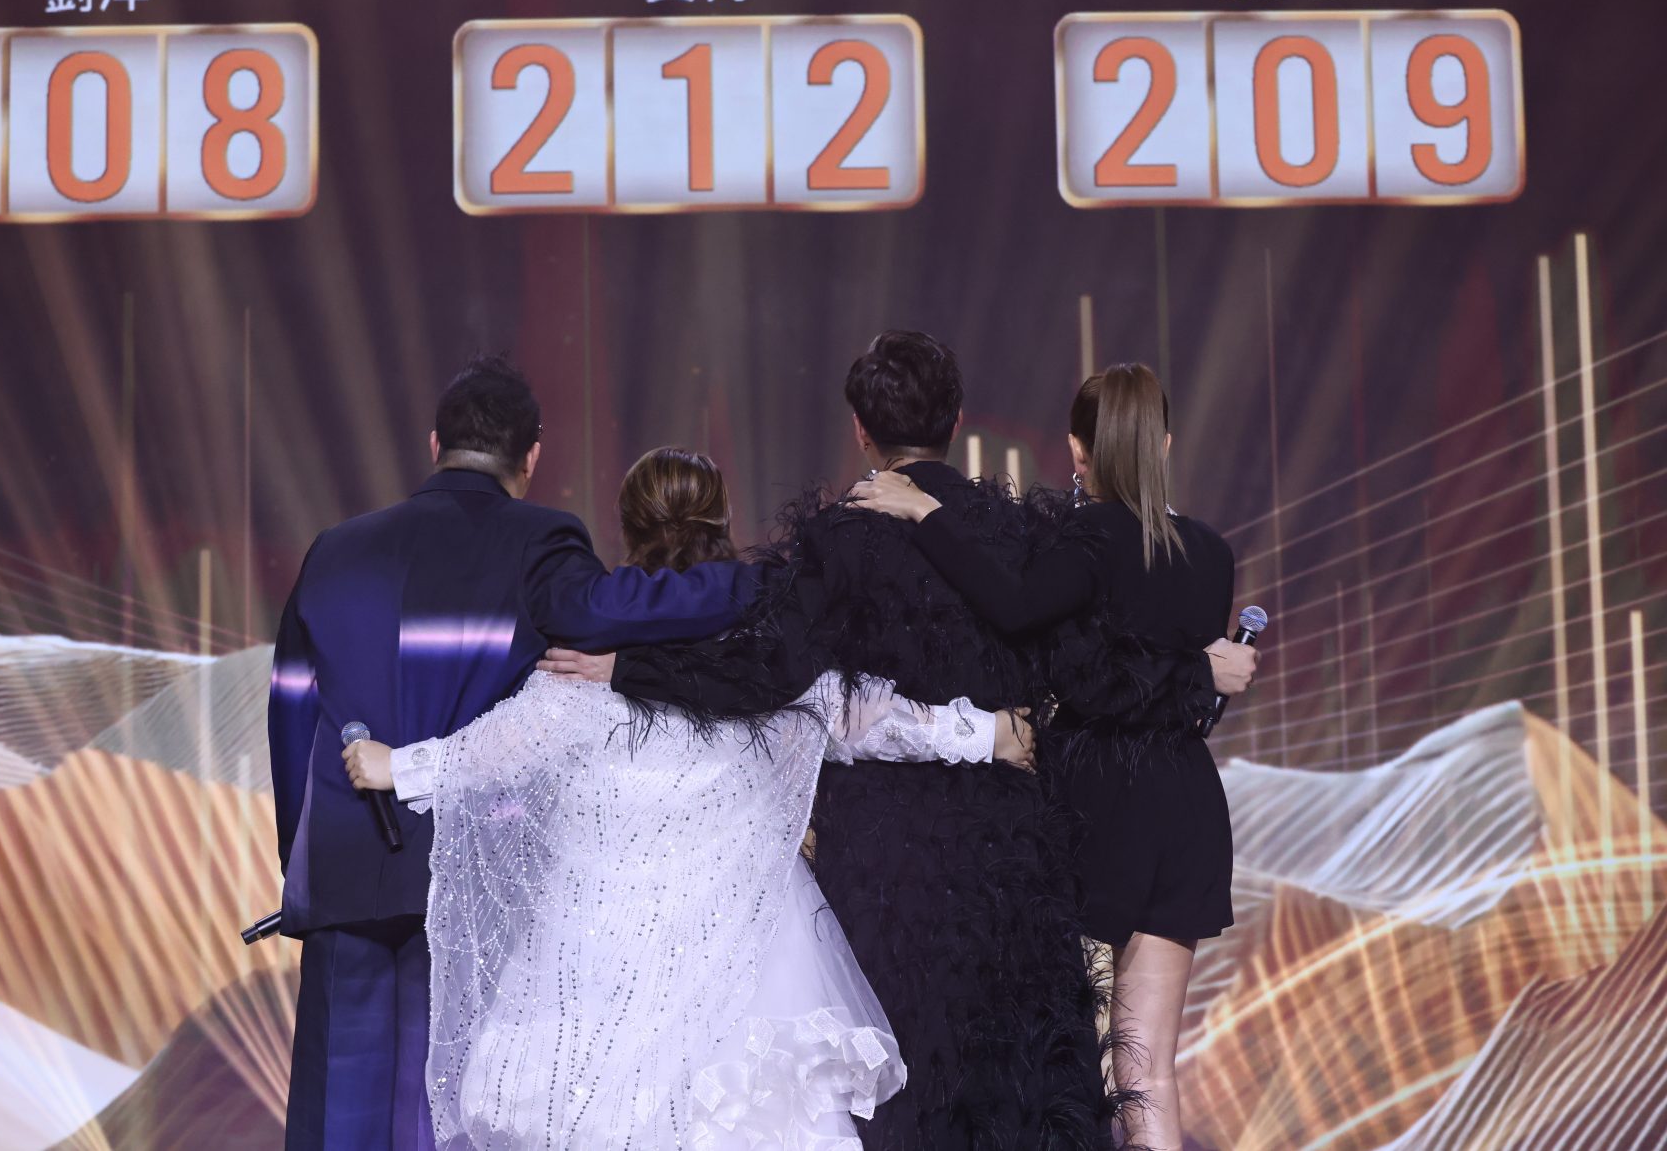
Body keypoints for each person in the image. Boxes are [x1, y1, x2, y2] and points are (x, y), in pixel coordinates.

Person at [549, 333, 1255, 1150]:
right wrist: (1194, 670)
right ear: (956, 420)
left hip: (884, 873)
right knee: (1020, 1101)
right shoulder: (1024, 538)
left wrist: (628, 668)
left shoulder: (839, 539)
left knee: (898, 1102)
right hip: (1011, 866)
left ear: (860, 430)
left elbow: (763, 670)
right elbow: (1084, 665)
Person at [344, 447, 1032, 1148]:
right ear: (724, 520)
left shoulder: (587, 651)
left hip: (598, 943)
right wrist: (986, 733)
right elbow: (856, 713)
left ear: (626, 526)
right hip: (748, 948)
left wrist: (397, 766)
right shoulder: (762, 642)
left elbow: (501, 746)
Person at [266, 358, 759, 1151]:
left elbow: (291, 713)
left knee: (337, 1125)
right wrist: (761, 584)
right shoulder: (542, 542)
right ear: (531, 457)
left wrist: (302, 863)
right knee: (451, 1117)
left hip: (345, 874)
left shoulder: (333, 552)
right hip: (476, 879)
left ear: (435, 444)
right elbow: (625, 609)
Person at [850, 363, 1244, 1151]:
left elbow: (1016, 605)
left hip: (1101, 806)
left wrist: (927, 510)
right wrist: (1200, 671)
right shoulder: (1212, 553)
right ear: (1165, 444)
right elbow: (1183, 685)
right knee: (1151, 1066)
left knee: (1063, 1049)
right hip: (1189, 809)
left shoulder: (1087, 538)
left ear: (1078, 449)